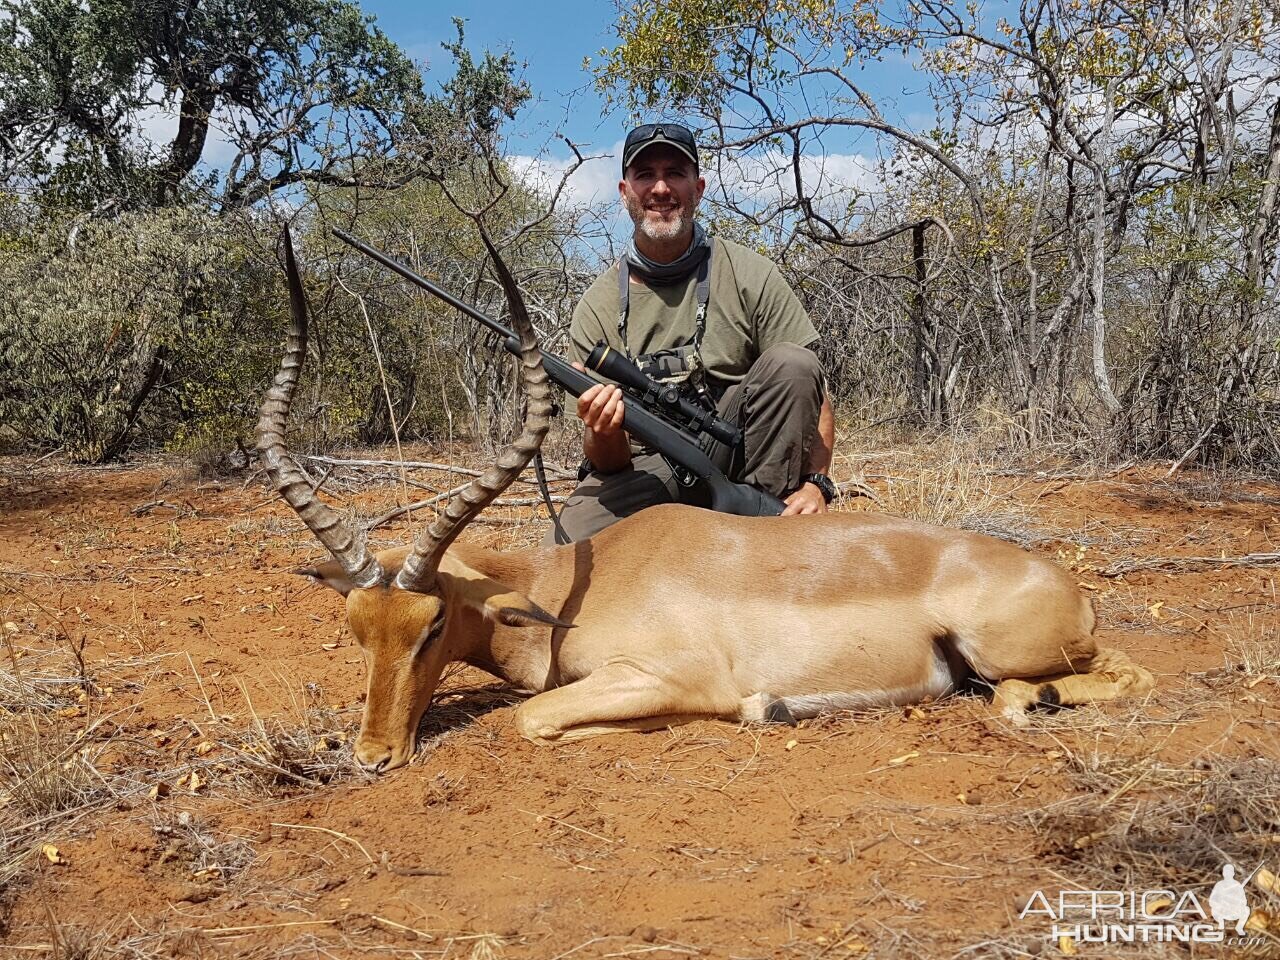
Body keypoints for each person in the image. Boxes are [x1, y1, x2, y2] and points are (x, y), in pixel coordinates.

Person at [548, 121, 835, 544]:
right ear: (625, 192)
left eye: (675, 174)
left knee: (794, 362)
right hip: (646, 465)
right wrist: (603, 429)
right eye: (645, 175)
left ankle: (763, 537)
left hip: (742, 453)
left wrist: (817, 484)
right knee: (566, 552)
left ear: (697, 189)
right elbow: (609, 463)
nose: (661, 188)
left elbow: (815, 394)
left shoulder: (750, 273)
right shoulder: (597, 304)